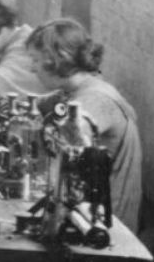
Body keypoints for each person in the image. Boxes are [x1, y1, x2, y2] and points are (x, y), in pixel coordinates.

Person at [27, 19, 142, 231]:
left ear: (56, 60)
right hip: (86, 216)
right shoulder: (79, 89)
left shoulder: (95, 100)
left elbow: (70, 137)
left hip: (104, 229)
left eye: (35, 60)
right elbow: (35, 105)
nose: (31, 68)